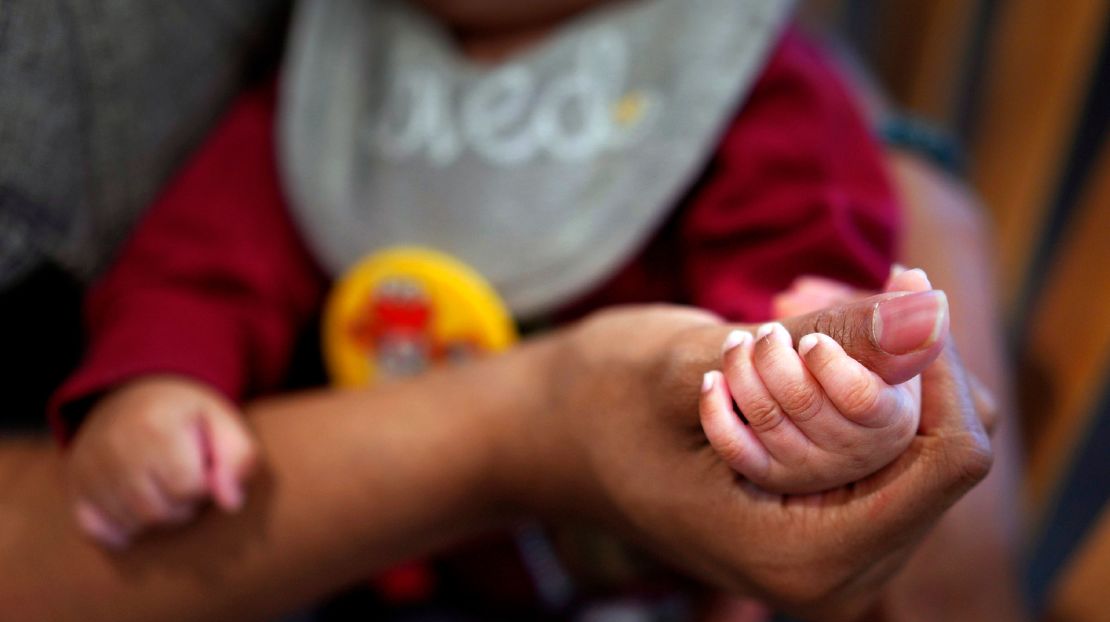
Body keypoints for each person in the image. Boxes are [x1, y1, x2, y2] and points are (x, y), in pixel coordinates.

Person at [51, 0, 915, 552]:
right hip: (363, 563)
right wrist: (157, 381)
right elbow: (208, 252)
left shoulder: (741, 79)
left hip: (654, 574)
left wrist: (799, 405)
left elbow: (803, 261)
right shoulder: (342, 78)